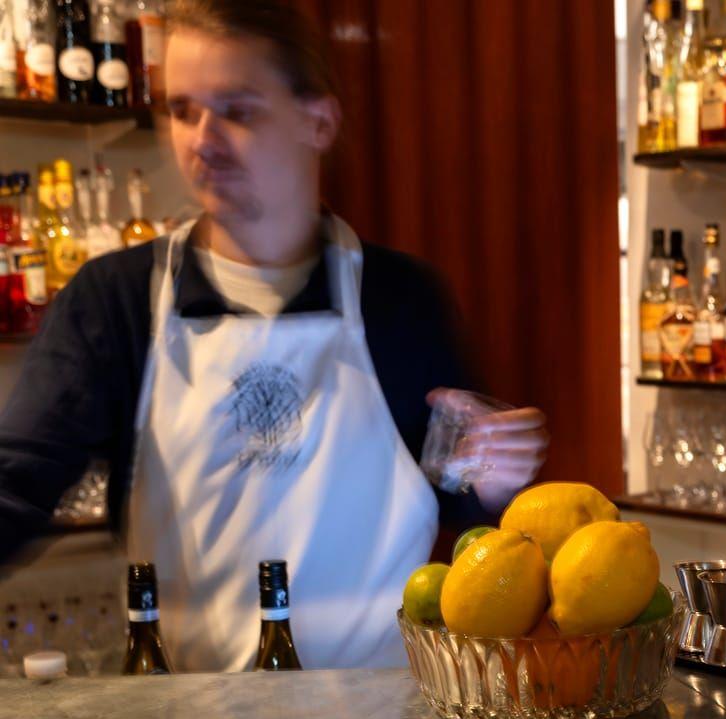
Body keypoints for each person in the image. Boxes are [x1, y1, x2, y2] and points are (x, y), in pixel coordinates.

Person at [0, 0, 548, 671]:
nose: (201, 140)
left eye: (237, 110)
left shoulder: (402, 300)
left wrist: (497, 481)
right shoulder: (115, 301)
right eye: (182, 110)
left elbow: (468, 509)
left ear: (319, 121)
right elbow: (15, 483)